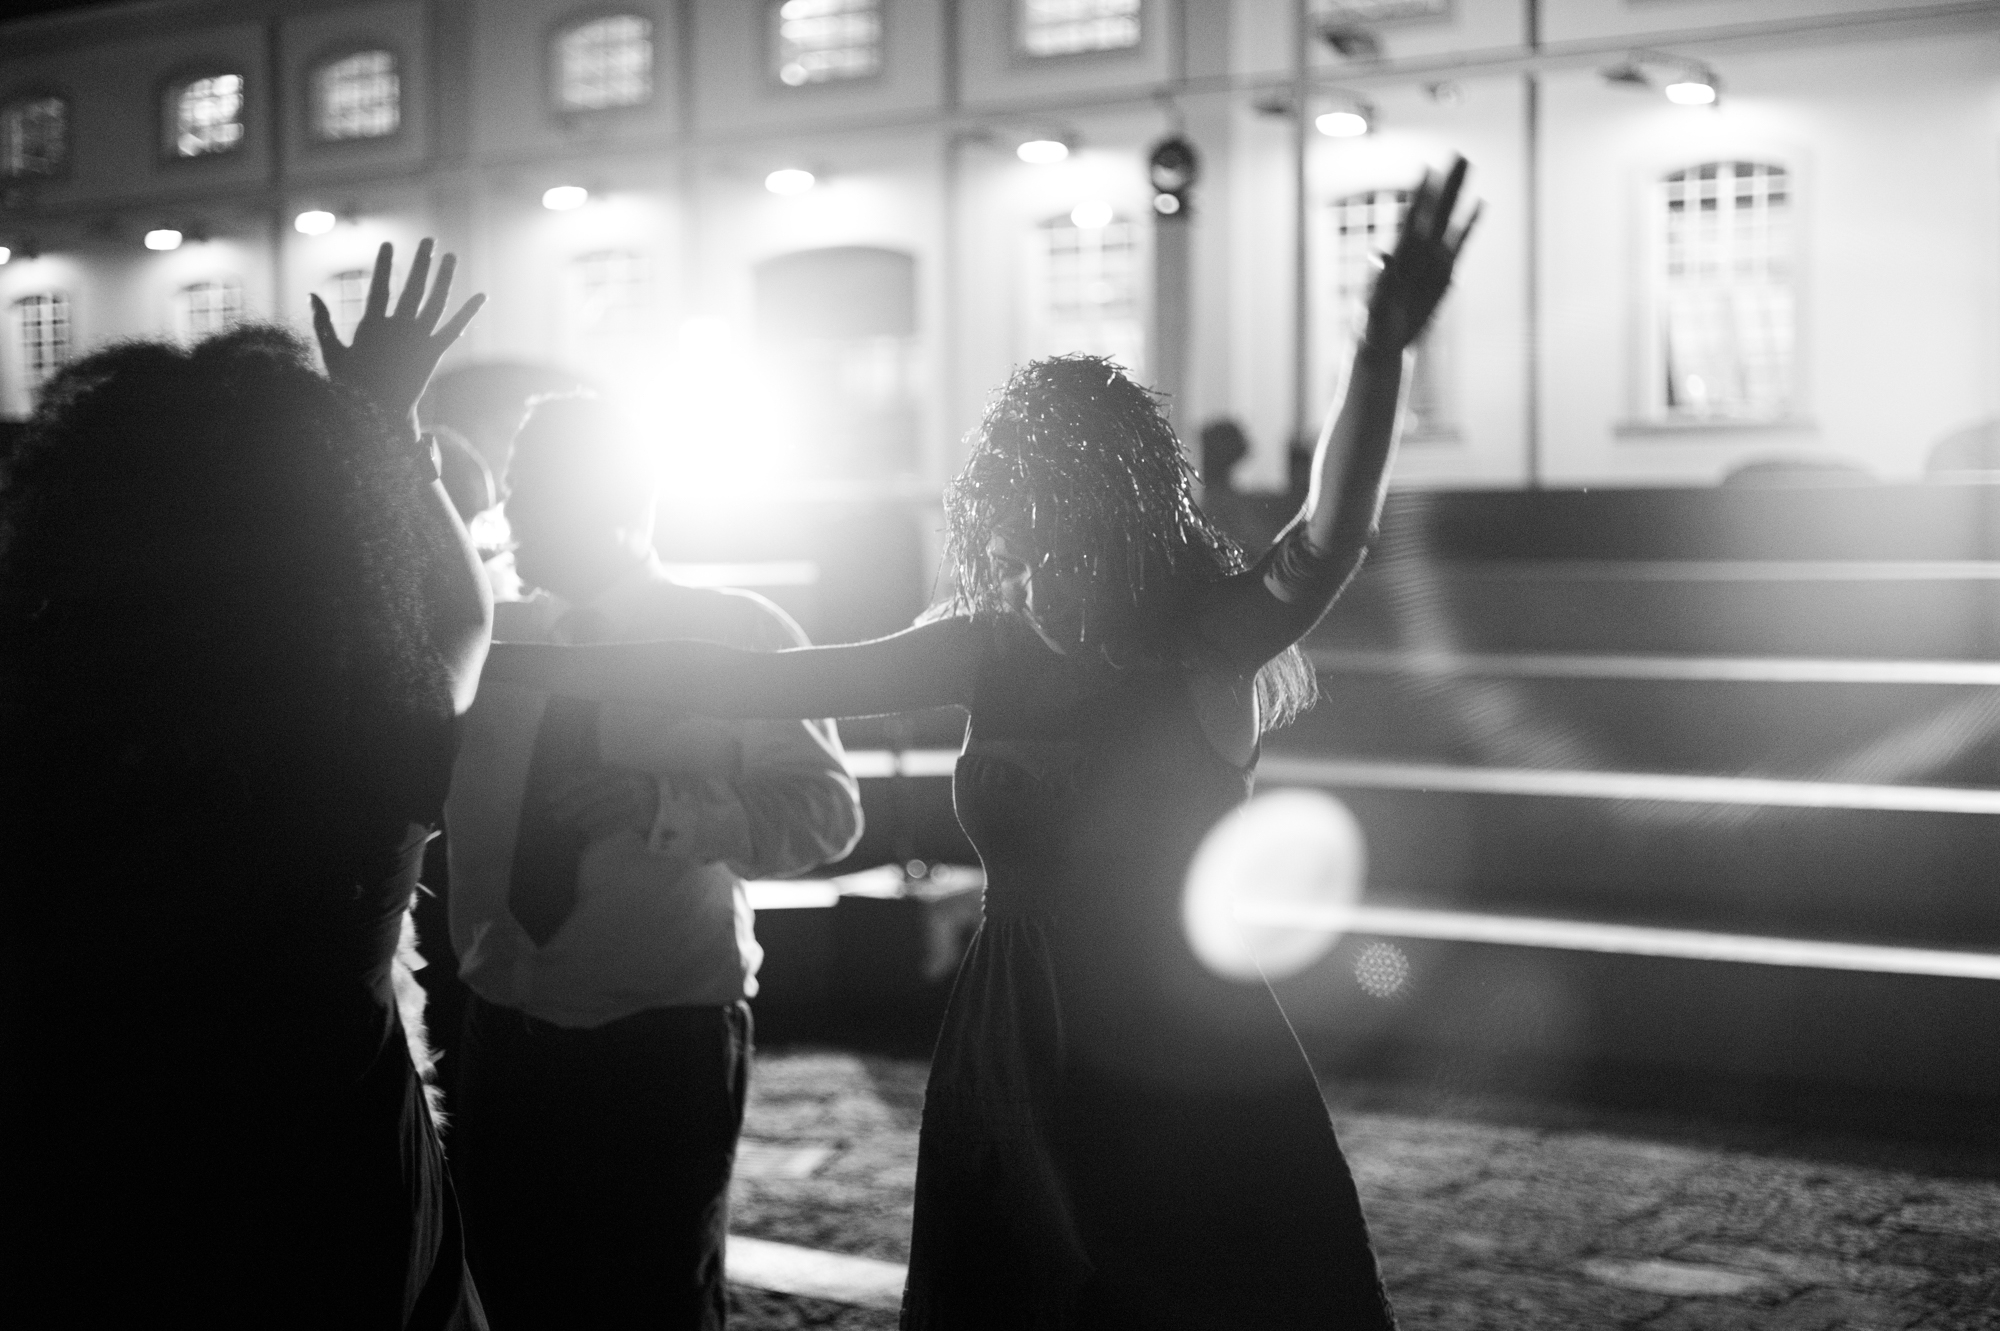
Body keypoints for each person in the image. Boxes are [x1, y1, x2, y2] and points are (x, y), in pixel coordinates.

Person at [485, 158, 1478, 1328]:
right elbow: (750, 680)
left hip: (1180, 1038)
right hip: (1007, 1037)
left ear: (1127, 522)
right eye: (1018, 535)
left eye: (1064, 537)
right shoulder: (981, 645)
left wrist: (1378, 353)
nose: (1038, 567)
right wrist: (507, 656)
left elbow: (1330, 533)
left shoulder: (1211, 641)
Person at [0, 240, 489, 1326]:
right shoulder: (358, 733)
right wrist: (381, 423)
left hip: (82, 1190)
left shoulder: (35, 732)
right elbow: (463, 618)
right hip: (329, 1192)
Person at [443, 393, 864, 1330]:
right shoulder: (492, 636)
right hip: (502, 1034)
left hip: (662, 1042)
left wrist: (662, 805)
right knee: (503, 1296)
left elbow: (829, 812)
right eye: (516, 490)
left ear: (622, 503)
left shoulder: (732, 634)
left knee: (654, 1300)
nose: (518, 515)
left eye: (543, 493)